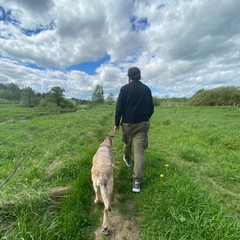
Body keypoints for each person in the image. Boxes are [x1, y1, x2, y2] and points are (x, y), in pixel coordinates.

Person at [114, 67, 154, 193]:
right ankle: (137, 182)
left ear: (129, 77)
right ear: (139, 76)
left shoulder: (124, 89)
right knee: (140, 151)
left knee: (127, 144)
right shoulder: (146, 89)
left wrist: (116, 124)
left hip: (128, 124)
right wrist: (145, 118)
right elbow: (151, 108)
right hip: (143, 124)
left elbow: (119, 108)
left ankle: (128, 160)